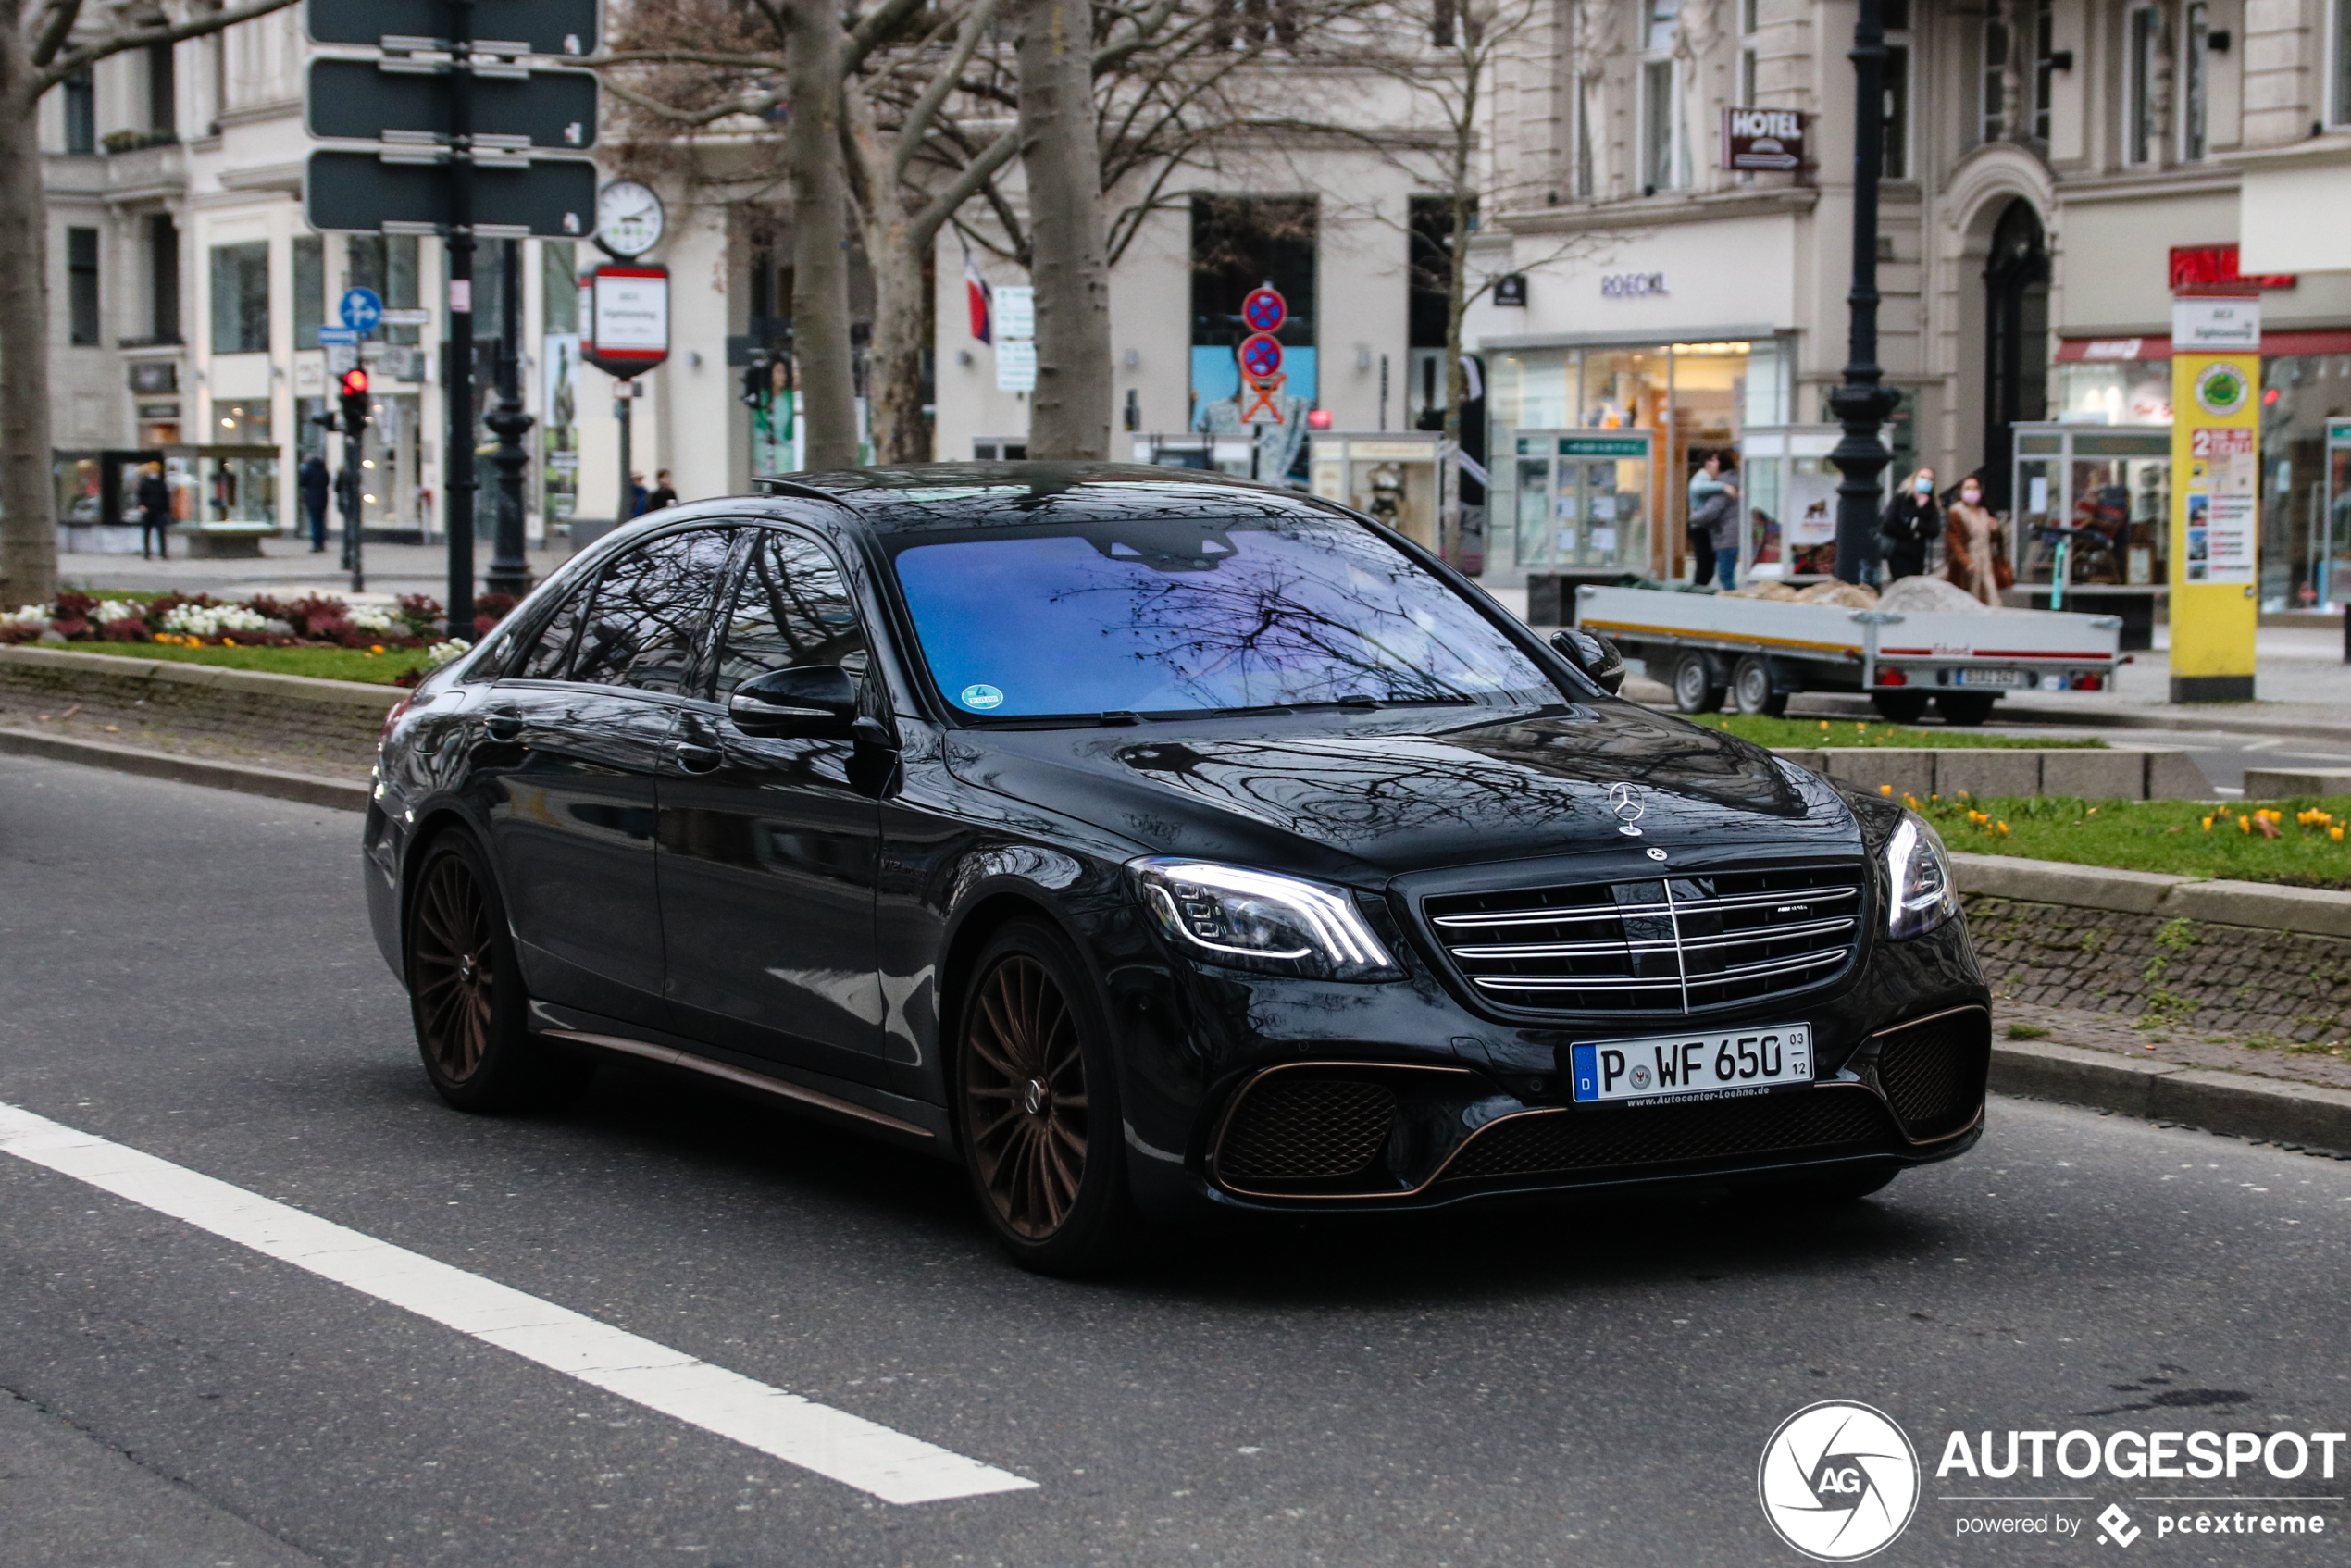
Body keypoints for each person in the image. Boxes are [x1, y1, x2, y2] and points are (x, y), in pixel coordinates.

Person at [1944, 475, 2009, 606]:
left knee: (1990, 592)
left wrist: (1995, 529)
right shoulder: (1957, 512)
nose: (1972, 492)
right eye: (1968, 488)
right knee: (1971, 594)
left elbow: (1993, 539)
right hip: (1968, 561)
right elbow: (1955, 542)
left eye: (1975, 488)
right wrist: (1967, 563)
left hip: (1986, 558)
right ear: (1961, 492)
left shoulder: (1984, 512)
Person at [1879, 467, 1939, 581]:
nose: (1926, 481)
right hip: (1898, 550)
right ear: (1914, 479)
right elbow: (1889, 523)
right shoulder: (1901, 498)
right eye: (1922, 477)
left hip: (1917, 554)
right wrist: (1909, 531)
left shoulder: (1930, 504)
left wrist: (1917, 523)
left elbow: (1934, 530)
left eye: (1929, 479)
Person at [1686, 452, 1727, 586]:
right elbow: (1697, 488)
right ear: (1708, 463)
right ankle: (1698, 589)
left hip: (1706, 526)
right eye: (1716, 461)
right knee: (1705, 561)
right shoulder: (1700, 479)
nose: (1718, 465)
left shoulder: (1709, 480)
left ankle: (1699, 588)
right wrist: (1724, 487)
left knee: (1708, 562)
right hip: (1700, 527)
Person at [1703, 460, 1741, 589]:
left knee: (1725, 575)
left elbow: (1711, 510)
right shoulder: (1734, 481)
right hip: (1731, 533)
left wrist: (1693, 517)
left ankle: (1733, 602)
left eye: (1711, 465)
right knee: (1727, 573)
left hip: (1726, 534)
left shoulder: (1723, 485)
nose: (1708, 469)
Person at [135, 462, 170, 561]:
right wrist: (141, 505)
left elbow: (165, 497)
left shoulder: (161, 483)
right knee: (147, 532)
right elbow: (140, 495)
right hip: (148, 510)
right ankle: (147, 552)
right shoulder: (145, 482)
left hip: (159, 510)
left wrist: (165, 510)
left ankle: (163, 553)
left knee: (161, 532)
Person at [299, 454, 330, 554]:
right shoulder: (323, 470)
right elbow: (327, 482)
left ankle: (316, 544)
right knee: (321, 521)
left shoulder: (309, 470)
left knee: (314, 522)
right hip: (323, 498)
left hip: (312, 498)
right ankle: (321, 543)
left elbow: (302, 482)